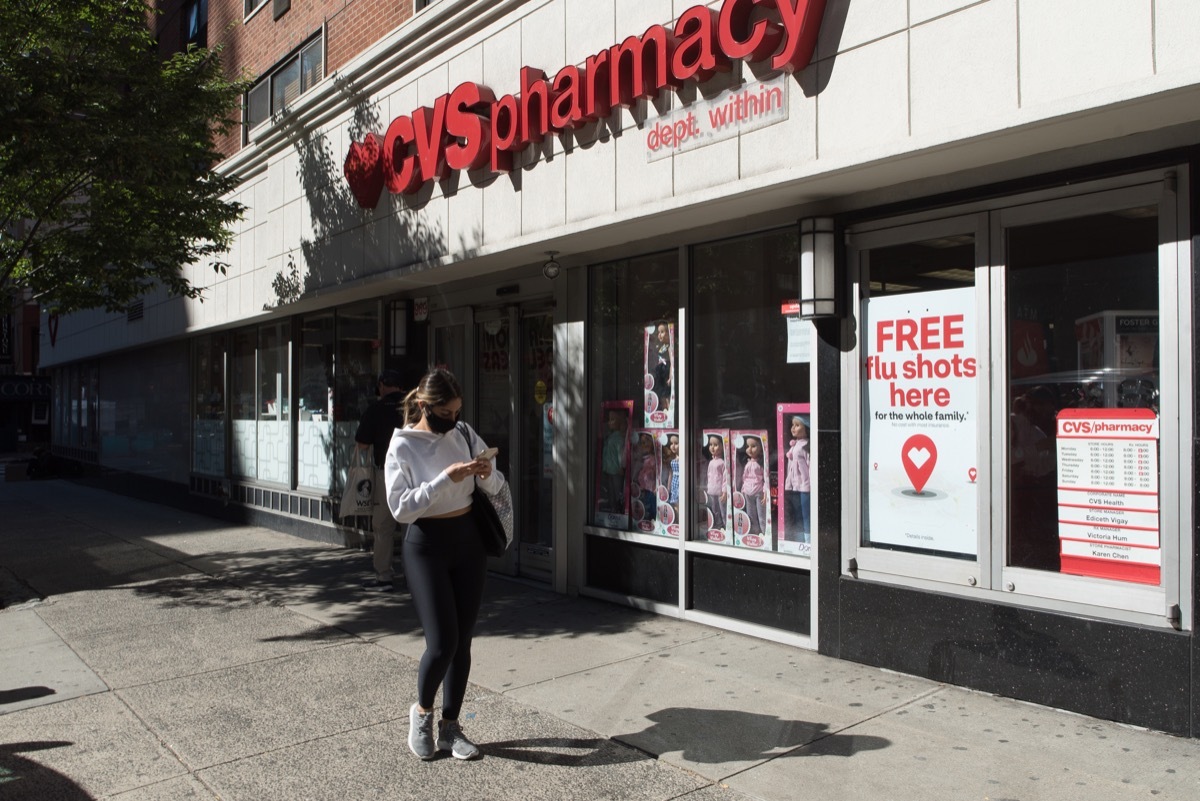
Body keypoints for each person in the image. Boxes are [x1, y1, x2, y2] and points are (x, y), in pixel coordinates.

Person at [383, 368, 500, 761]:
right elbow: (400, 509)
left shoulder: (463, 433)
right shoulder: (402, 446)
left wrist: (485, 473)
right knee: (442, 642)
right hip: (427, 545)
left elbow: (496, 485)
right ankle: (421, 713)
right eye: (446, 412)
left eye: (456, 411)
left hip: (468, 541)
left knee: (463, 641)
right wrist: (444, 479)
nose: (452, 420)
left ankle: (451, 727)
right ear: (424, 406)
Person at [354, 369, 405, 591]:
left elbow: (363, 443)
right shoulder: (414, 407)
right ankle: (419, 575)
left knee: (383, 525)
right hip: (415, 473)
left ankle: (384, 577)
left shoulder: (376, 409)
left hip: (388, 472)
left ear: (383, 386)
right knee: (412, 524)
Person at [784, 416, 811, 542]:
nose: (793, 428)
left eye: (797, 425)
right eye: (792, 425)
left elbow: (810, 465)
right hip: (795, 485)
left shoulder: (806, 445)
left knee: (806, 514)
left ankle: (808, 539)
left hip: (805, 485)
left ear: (806, 428)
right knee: (798, 513)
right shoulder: (795, 445)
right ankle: (800, 538)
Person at [600, 409, 628, 513]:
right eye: (609, 420)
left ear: (619, 422)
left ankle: (619, 508)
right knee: (611, 490)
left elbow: (620, 453)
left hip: (616, 469)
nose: (609, 422)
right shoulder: (610, 436)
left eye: (612, 420)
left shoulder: (619, 438)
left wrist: (621, 466)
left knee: (617, 491)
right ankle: (613, 508)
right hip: (609, 468)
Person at [739, 435, 767, 536]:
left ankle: (764, 533)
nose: (749, 449)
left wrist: (765, 491)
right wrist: (743, 488)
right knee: (751, 514)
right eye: (748, 446)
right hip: (747, 492)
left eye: (753, 446)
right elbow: (744, 477)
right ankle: (755, 532)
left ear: (761, 448)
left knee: (761, 515)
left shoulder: (761, 463)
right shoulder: (747, 463)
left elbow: (766, 478)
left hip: (758, 492)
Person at [703, 434, 728, 530]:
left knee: (723, 510)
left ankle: (725, 526)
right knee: (714, 510)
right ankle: (718, 525)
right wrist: (707, 487)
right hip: (711, 490)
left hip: (720, 492)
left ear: (722, 447)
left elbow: (725, 478)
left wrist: (725, 491)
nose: (712, 447)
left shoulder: (722, 462)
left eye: (716, 445)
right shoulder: (711, 462)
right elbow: (708, 476)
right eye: (710, 444)